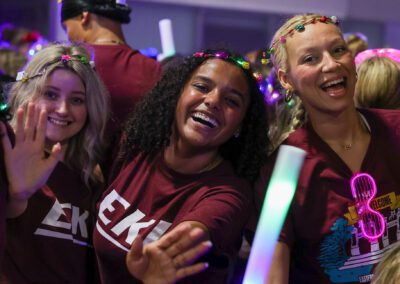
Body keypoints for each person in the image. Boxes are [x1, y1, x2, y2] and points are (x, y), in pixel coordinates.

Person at [93, 48, 269, 283]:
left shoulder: (229, 194)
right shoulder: (135, 147)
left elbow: (197, 229)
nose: (213, 101)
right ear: (178, 93)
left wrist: (169, 254)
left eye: (231, 101)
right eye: (202, 87)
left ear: (240, 125)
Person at [252, 13, 400, 284]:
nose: (331, 65)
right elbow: (264, 277)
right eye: (311, 59)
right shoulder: (281, 170)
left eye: (338, 50)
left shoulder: (395, 131)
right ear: (286, 80)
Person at [0, 42, 110, 283]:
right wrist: (17, 197)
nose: (62, 109)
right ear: (27, 93)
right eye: (50, 94)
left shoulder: (91, 175)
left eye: (77, 100)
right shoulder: (6, 148)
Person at [60, 0, 162, 136]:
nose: (68, 36)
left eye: (66, 28)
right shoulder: (153, 69)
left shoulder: (72, 63)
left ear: (84, 17)